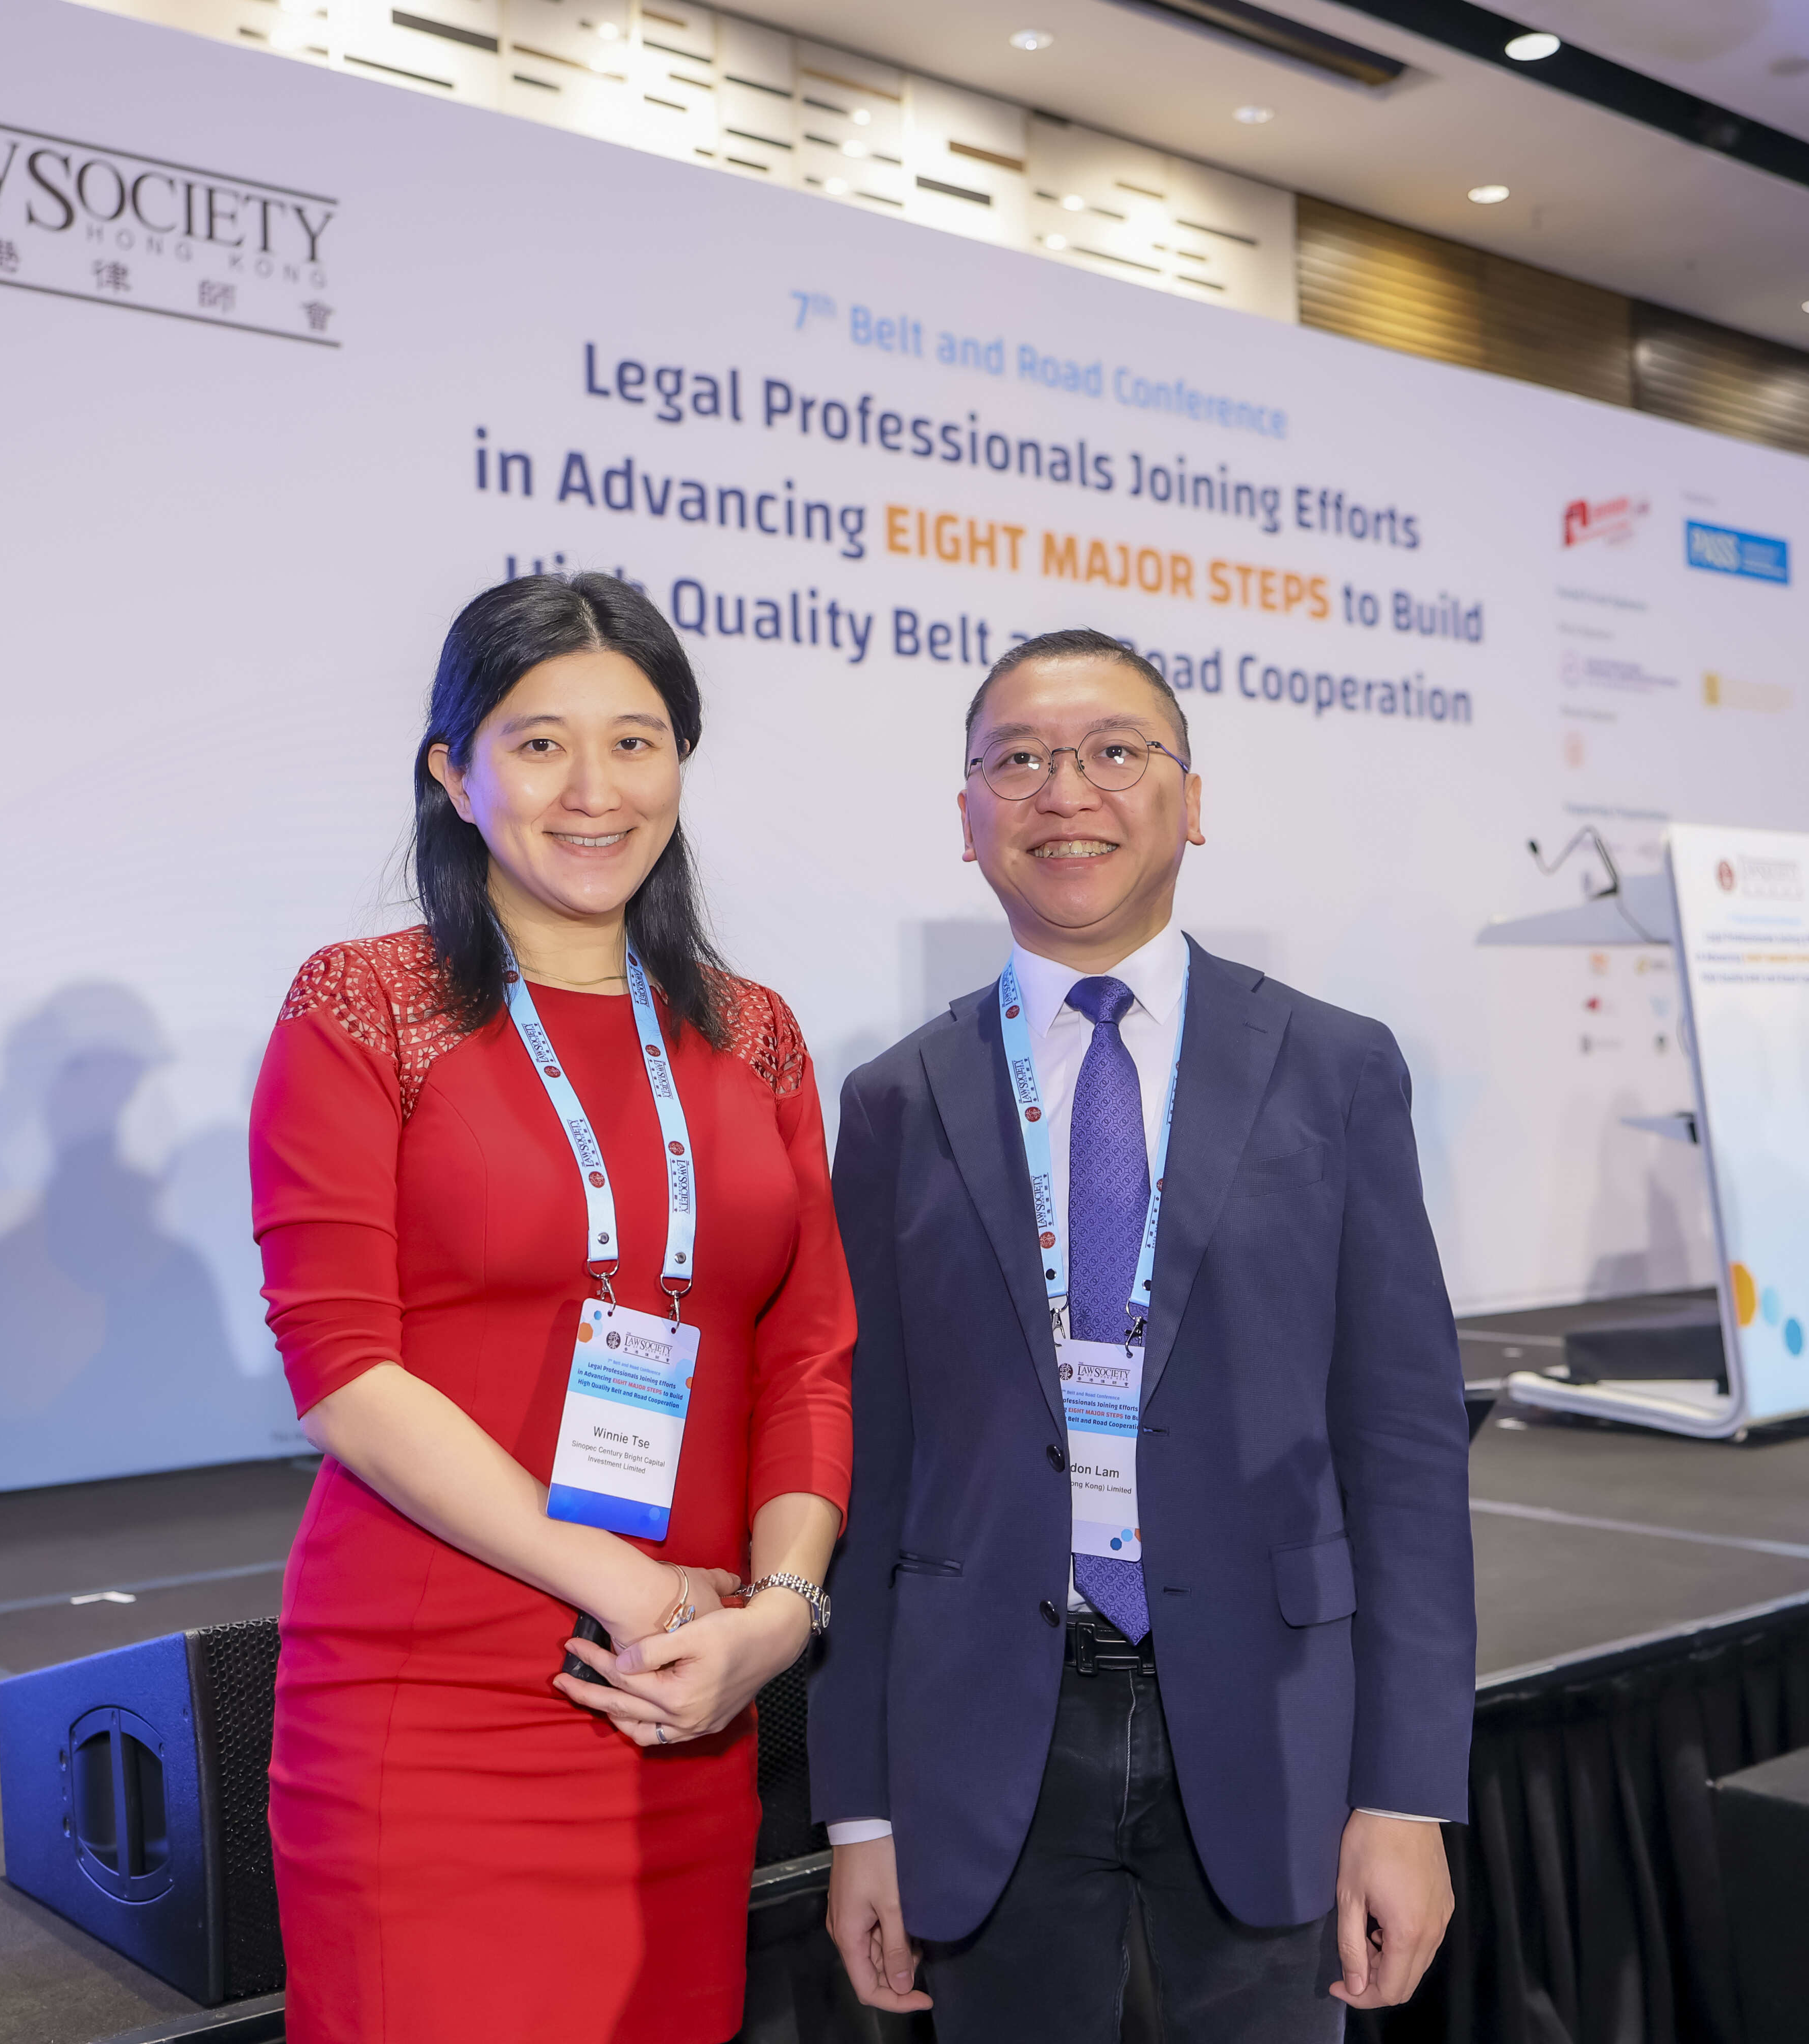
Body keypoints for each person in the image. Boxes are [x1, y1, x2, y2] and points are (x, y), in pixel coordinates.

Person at [809, 629, 1476, 2041]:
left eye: (1114, 752)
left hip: (1276, 1731)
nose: (1067, 792)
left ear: (1192, 797)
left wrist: (1409, 1790)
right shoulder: (895, 1101)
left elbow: (1405, 1448)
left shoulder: (1334, 1068)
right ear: (969, 816)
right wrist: (861, 1811)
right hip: (987, 1739)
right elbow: (873, 1467)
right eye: (1019, 761)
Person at [248, 573, 854, 2043]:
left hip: (683, 1700)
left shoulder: (753, 1031)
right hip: (436, 1697)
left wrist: (778, 1620)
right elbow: (342, 1369)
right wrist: (638, 1591)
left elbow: (809, 1356)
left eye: (636, 742)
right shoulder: (364, 1004)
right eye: (538, 744)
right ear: (454, 774)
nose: (595, 790)